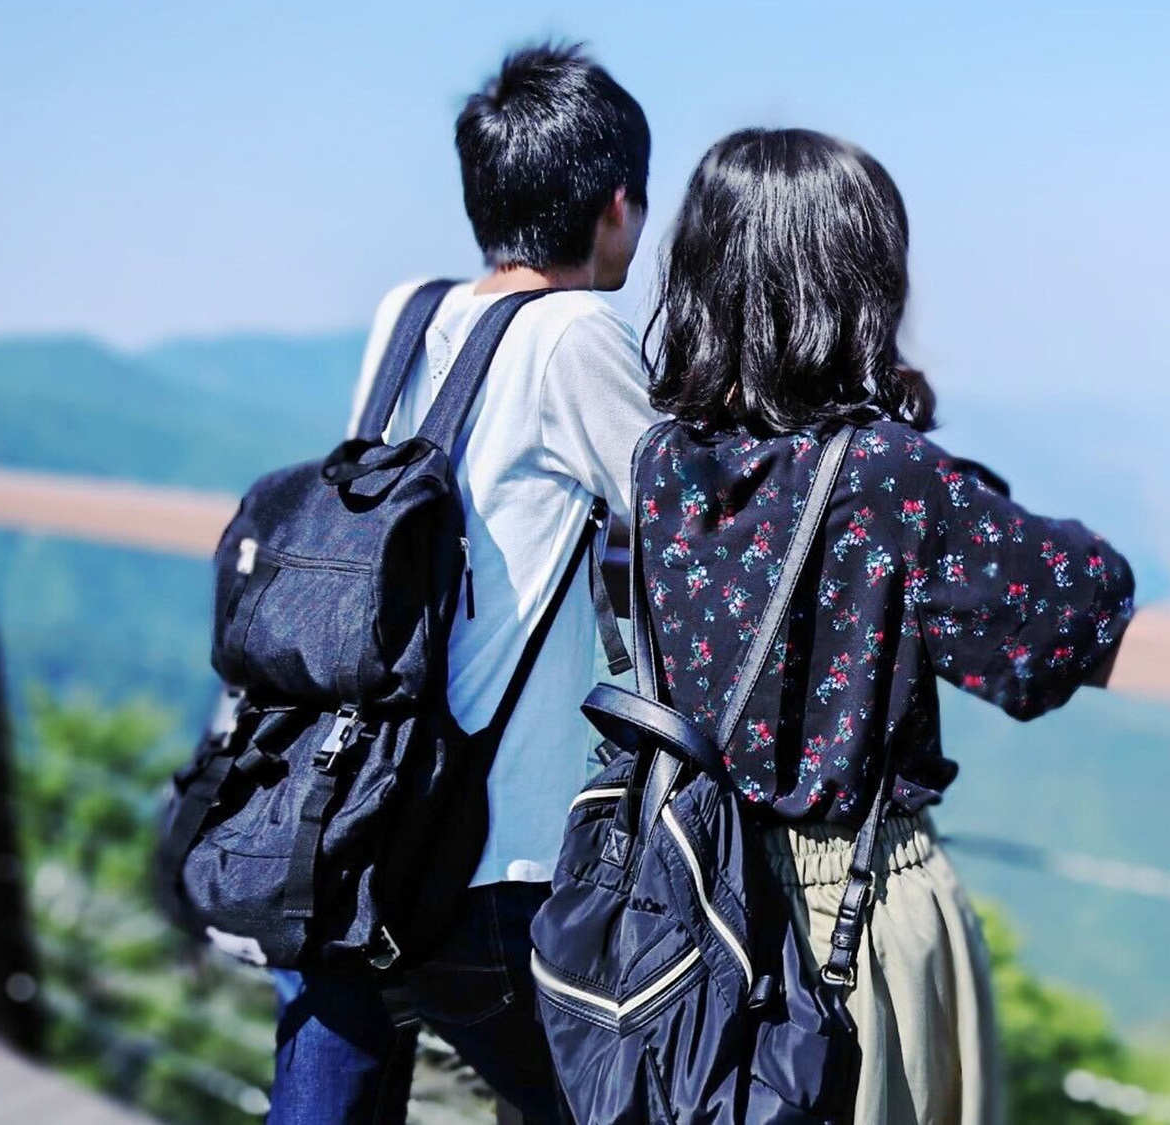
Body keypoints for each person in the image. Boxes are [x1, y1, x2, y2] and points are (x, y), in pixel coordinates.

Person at [637, 128, 1135, 1125]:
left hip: (684, 899)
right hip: (852, 915)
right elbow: (1072, 604)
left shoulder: (659, 460)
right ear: (854, 285)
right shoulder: (888, 476)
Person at [267, 43, 660, 1125]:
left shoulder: (409, 314)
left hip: (359, 819)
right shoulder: (577, 332)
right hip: (488, 859)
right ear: (616, 206)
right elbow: (690, 526)